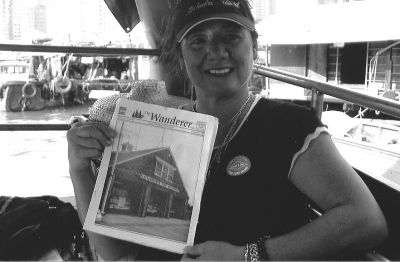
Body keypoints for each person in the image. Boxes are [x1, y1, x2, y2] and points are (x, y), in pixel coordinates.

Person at [66, 0, 388, 260]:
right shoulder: (156, 132)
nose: (216, 51)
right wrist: (80, 170)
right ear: (181, 55)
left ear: (254, 46)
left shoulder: (287, 125)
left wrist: (248, 256)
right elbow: (114, 250)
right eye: (198, 40)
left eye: (230, 36)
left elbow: (366, 220)